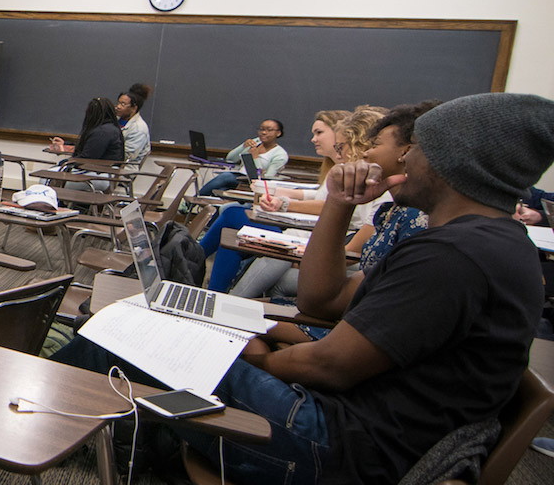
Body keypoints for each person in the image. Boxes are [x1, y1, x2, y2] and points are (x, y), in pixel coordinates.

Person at [54, 92, 554, 484]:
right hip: (358, 433)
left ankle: (9, 423)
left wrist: (247, 356)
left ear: (455, 161)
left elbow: (328, 366)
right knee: (154, 327)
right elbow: (322, 302)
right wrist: (338, 201)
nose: (404, 155)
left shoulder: (455, 256)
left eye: (417, 147)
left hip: (331, 445)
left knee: (125, 333)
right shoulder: (481, 243)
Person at [232, 102, 436, 301]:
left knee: (271, 256)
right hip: (345, 289)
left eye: (374, 145)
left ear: (406, 153)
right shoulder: (389, 207)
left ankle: (231, 306)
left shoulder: (409, 214)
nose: (367, 153)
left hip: (347, 289)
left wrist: (301, 253)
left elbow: (344, 273)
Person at [49, 97, 124, 193]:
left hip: (100, 175)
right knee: (55, 171)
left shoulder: (102, 132)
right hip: (106, 173)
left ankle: (57, 205)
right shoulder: (110, 128)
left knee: (46, 178)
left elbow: (87, 158)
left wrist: (66, 162)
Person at [197, 118, 288, 196]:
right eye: (261, 129)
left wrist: (255, 158)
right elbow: (230, 159)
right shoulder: (256, 142)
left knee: (225, 177)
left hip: (252, 183)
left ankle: (192, 201)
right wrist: (243, 146)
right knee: (220, 190)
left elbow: (267, 178)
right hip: (239, 178)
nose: (264, 132)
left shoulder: (280, 155)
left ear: (278, 133)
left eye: (269, 130)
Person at [116, 83, 153, 171]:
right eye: (118, 103)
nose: (118, 107)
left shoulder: (139, 128)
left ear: (134, 108)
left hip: (125, 169)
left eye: (123, 104)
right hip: (110, 164)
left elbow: (127, 155)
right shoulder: (115, 119)